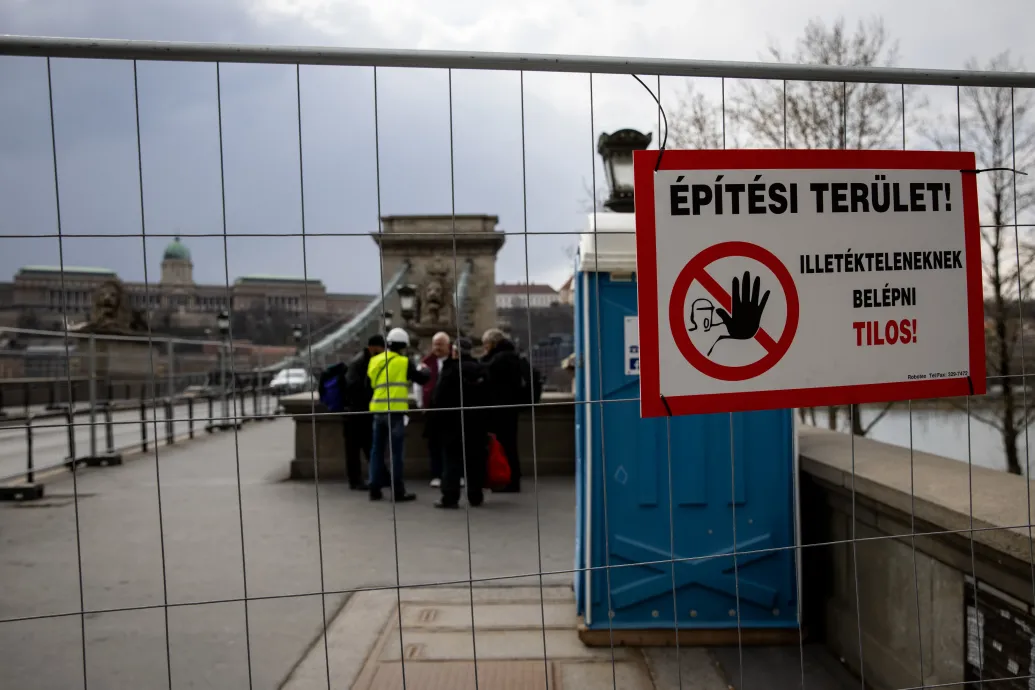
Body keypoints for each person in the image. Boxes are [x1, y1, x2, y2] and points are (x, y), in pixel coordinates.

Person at [367, 327, 430, 502]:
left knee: (376, 451)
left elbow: (369, 384)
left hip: (377, 411)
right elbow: (421, 379)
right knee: (395, 453)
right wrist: (426, 370)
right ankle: (398, 491)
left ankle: (374, 488)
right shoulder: (404, 362)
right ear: (403, 346)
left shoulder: (375, 360)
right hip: (395, 412)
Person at [433, 337, 489, 509]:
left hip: (452, 423)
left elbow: (438, 397)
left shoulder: (451, 370)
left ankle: (450, 497)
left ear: (455, 351)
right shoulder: (481, 369)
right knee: (475, 460)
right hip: (477, 422)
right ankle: (475, 495)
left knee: (452, 462)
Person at [480, 328, 527, 493]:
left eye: (486, 344)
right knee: (510, 445)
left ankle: (507, 479)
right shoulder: (513, 356)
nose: (484, 347)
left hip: (499, 409)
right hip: (510, 408)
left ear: (492, 343)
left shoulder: (499, 360)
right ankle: (512, 479)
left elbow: (485, 373)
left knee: (503, 446)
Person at [341, 334, 387, 491]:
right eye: (381, 349)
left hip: (359, 411)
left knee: (367, 446)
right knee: (356, 448)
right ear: (373, 347)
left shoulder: (365, 360)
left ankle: (379, 476)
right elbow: (354, 387)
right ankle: (356, 481)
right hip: (355, 412)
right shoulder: (360, 362)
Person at [420, 331, 451, 488]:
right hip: (432, 410)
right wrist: (422, 405)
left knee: (453, 444)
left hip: (451, 409)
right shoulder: (426, 363)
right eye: (435, 345)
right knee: (434, 444)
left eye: (440, 344)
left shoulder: (454, 362)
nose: (437, 348)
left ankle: (454, 475)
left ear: (448, 346)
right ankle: (436, 474)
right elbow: (418, 386)